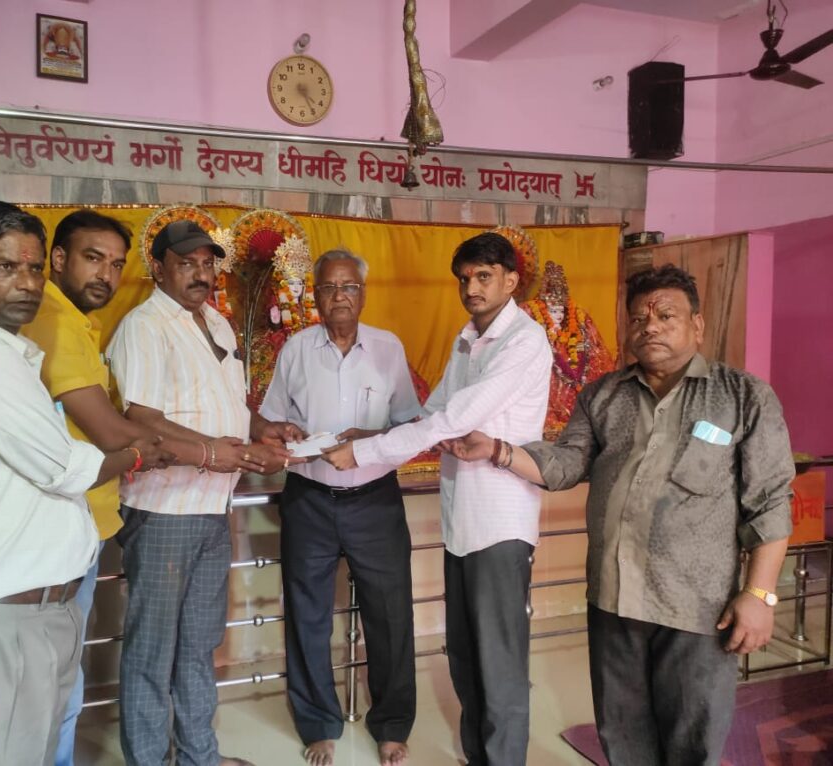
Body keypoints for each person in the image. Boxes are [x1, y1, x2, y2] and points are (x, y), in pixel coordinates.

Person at [448, 264, 795, 766]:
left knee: (691, 743)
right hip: (613, 602)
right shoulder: (603, 395)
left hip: (696, 610)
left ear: (697, 325)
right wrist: (498, 450)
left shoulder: (741, 397)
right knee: (623, 737)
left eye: (665, 315)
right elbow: (565, 465)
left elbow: (771, 502)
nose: (649, 326)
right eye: (638, 318)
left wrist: (760, 595)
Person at [0, 200, 164, 766]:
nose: (27, 283)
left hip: (32, 612)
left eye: (31, 268)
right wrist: (135, 455)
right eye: (6, 267)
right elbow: (63, 467)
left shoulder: (11, 354)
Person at [323, 232, 552, 766]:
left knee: (499, 663)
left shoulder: (525, 341)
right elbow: (434, 414)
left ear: (511, 280)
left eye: (484, 277)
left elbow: (455, 418)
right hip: (461, 522)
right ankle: (478, 756)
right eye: (465, 279)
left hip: (501, 523)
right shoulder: (467, 338)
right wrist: (372, 435)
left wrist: (364, 454)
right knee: (465, 655)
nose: (472, 288)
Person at [107, 219, 301, 766]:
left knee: (198, 645)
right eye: (186, 263)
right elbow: (141, 420)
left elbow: (228, 405)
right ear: (159, 268)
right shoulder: (144, 326)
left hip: (214, 507)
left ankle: (199, 757)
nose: (200, 274)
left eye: (207, 264)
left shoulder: (217, 322)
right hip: (164, 508)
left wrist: (262, 427)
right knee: (152, 652)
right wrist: (220, 451)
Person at [21, 210, 192, 766]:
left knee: (61, 673)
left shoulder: (75, 321)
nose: (106, 275)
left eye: (116, 265)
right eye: (93, 258)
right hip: (58, 527)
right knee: (54, 680)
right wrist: (206, 453)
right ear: (58, 259)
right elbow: (111, 431)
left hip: (79, 523)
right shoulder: (55, 320)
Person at [259, 249, 420, 766]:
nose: (340, 296)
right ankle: (318, 723)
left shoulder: (388, 348)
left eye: (349, 286)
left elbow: (410, 425)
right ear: (316, 296)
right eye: (329, 288)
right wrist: (284, 433)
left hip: (375, 499)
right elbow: (270, 420)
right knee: (307, 614)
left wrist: (367, 438)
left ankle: (391, 724)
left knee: (390, 614)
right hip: (309, 498)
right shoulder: (296, 350)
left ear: (363, 293)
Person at [520, 260, 614, 440]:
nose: (558, 316)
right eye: (553, 311)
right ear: (544, 310)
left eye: (561, 312)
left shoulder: (575, 324)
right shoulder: (532, 321)